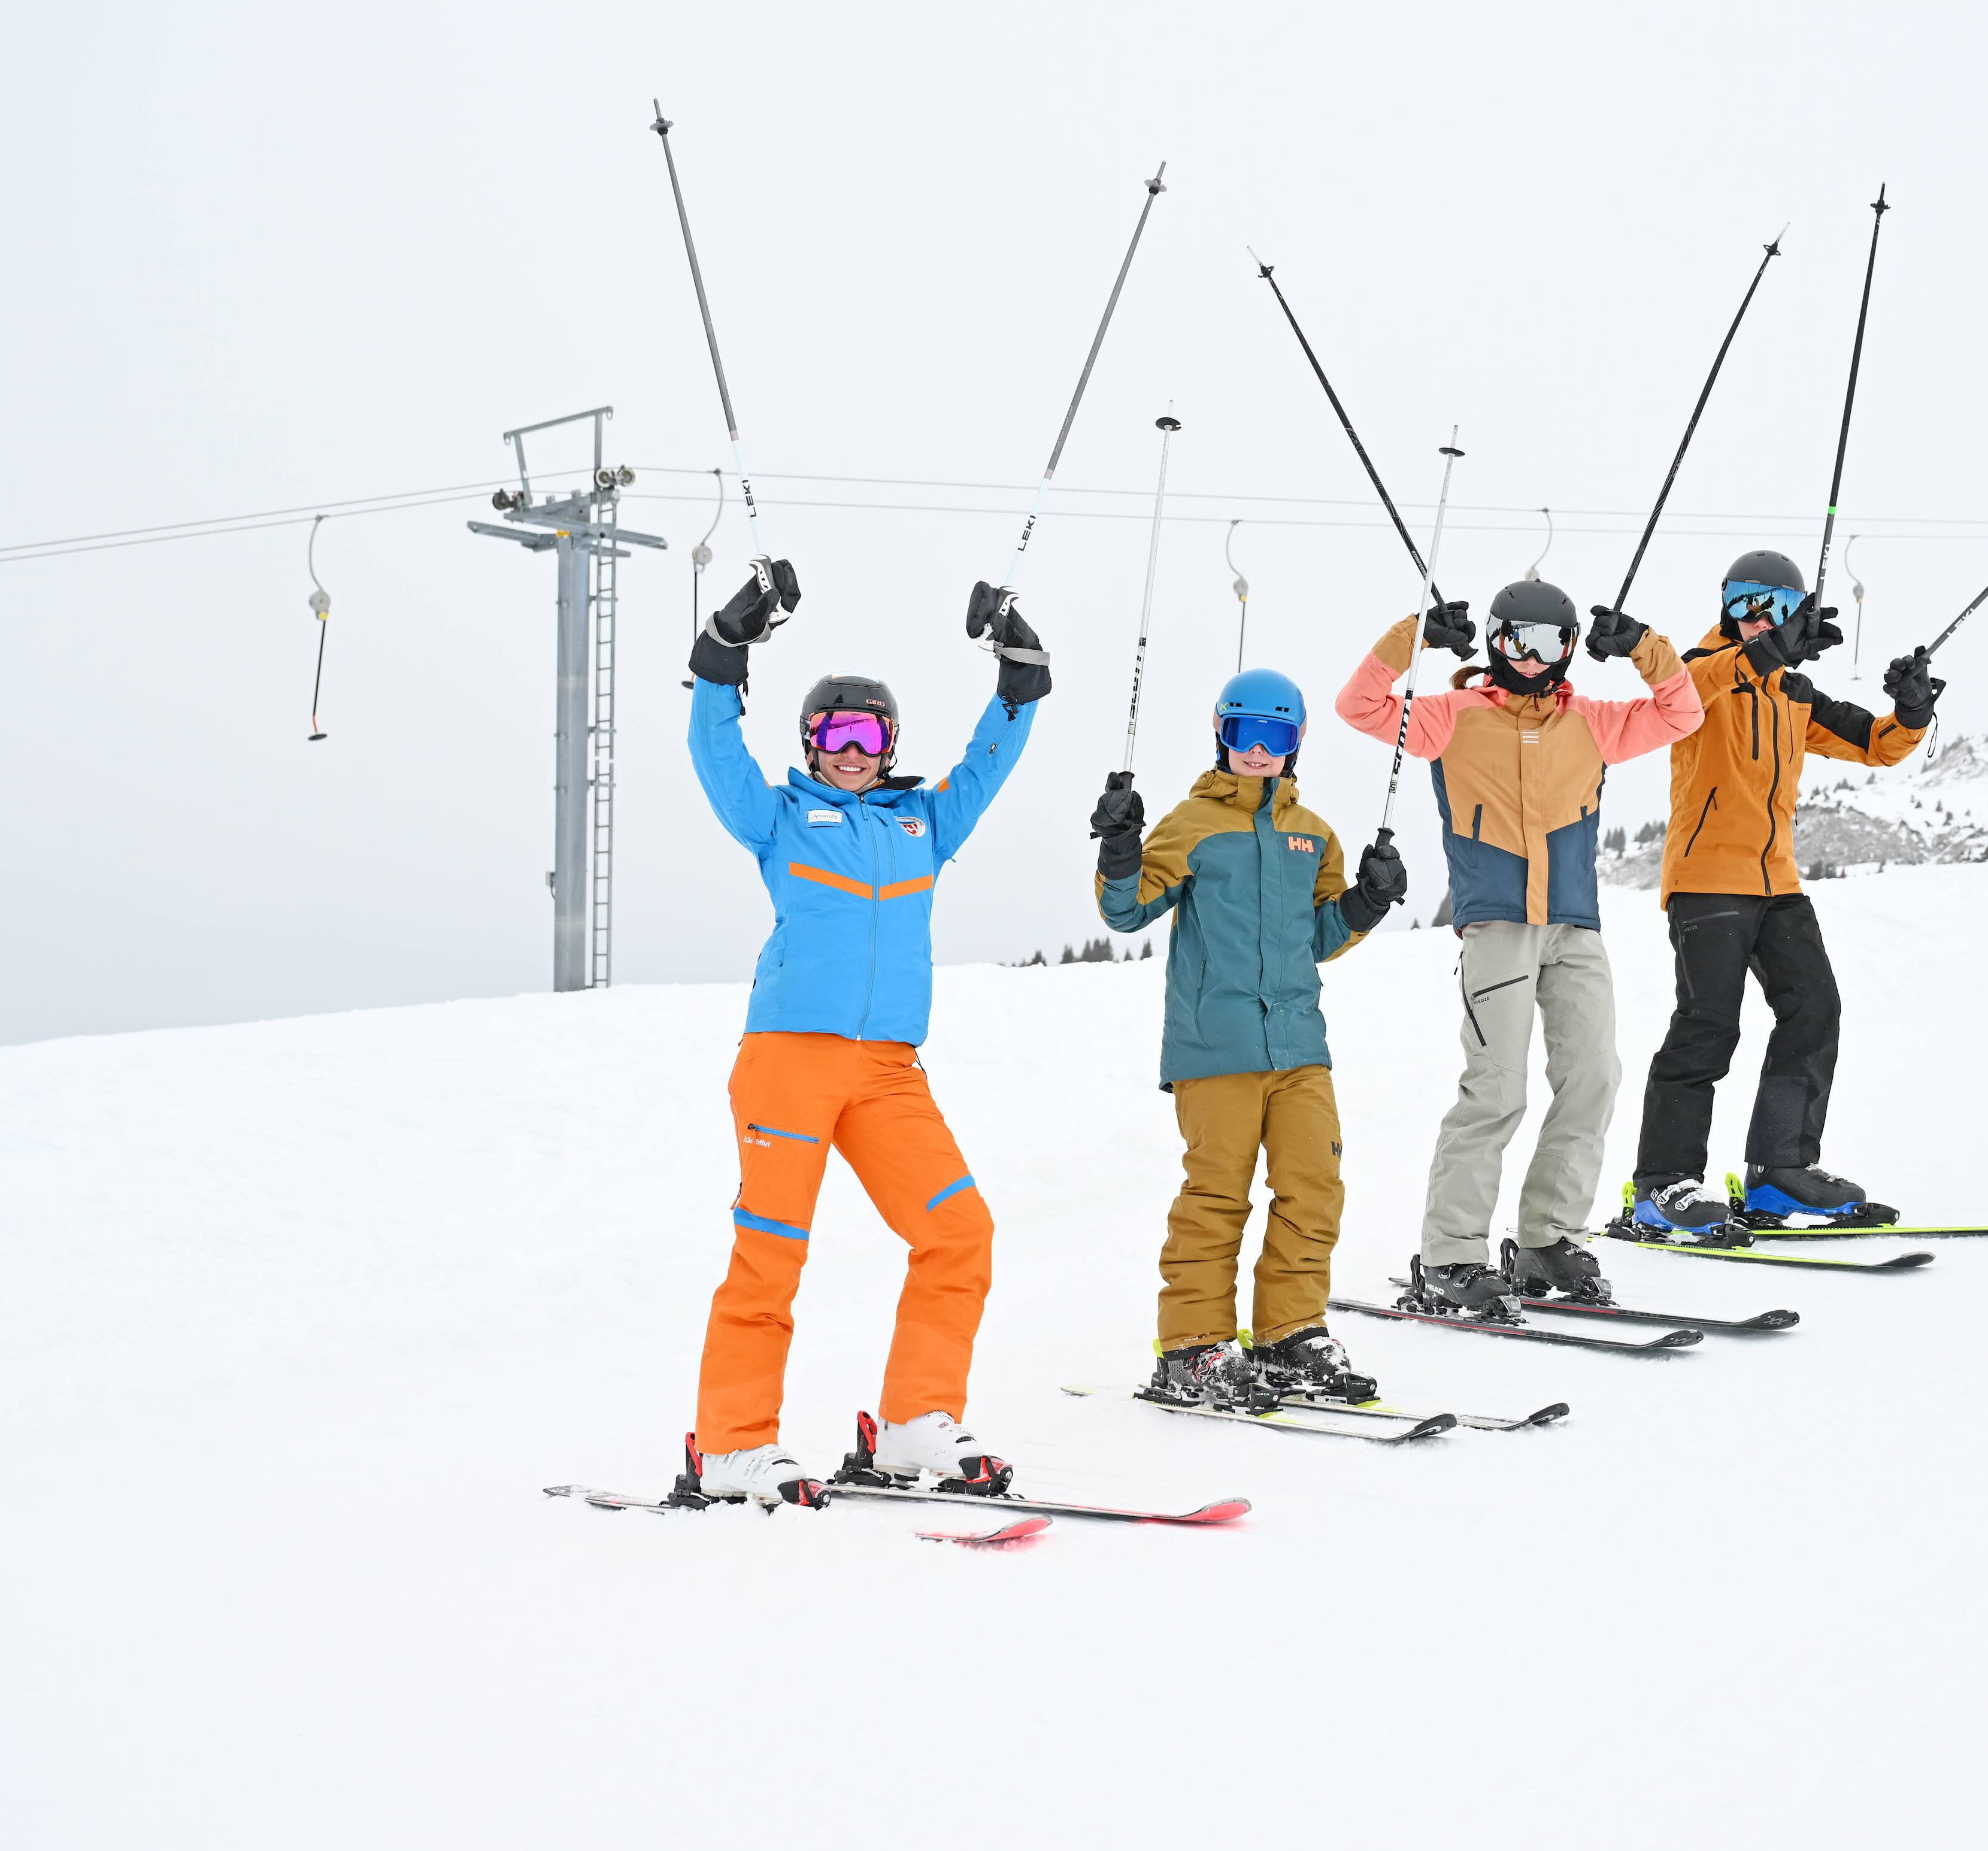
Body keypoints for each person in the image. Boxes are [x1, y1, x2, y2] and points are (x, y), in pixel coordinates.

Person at [678, 556, 1050, 1506]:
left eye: (869, 733)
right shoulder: (780, 819)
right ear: (809, 743)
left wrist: (1018, 679)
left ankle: (914, 1421)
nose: (852, 749)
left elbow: (988, 762)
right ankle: (731, 1445)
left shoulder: (924, 823)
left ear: (890, 745)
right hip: (789, 1060)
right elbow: (715, 749)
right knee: (771, 1250)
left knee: (957, 1229)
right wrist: (724, 652)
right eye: (835, 733)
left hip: (888, 1070)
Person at [1334, 578, 1705, 1313]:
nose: (1529, 658)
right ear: (1494, 641)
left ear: (1568, 648)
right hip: (1498, 926)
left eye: (1546, 643)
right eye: (1514, 641)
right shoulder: (1452, 717)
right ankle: (1451, 1253)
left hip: (1574, 925)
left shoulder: (1593, 722)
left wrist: (1642, 646)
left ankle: (1548, 1235)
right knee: (1496, 1089)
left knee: (1593, 1077)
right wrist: (1415, 636)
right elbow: (1360, 705)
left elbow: (1680, 711)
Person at [1091, 669, 1407, 1407]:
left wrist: (1366, 901)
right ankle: (1193, 1347)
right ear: (1220, 733)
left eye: (1273, 735)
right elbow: (1126, 911)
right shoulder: (1191, 823)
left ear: (1295, 742)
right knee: (1216, 1195)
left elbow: (1319, 937)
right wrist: (1120, 847)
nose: (1257, 749)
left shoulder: (1313, 834)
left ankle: (1288, 1334)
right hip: (1216, 1045)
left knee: (1313, 1185)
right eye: (1243, 732)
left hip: (1298, 1046)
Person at [1617, 547, 1943, 1242]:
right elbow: (1683, 687)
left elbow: (1875, 744)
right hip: (1706, 879)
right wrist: (1762, 654)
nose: (1757, 617)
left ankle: (1780, 1169)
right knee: (1707, 1026)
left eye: (1775, 606)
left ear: (1797, 613)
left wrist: (1911, 709)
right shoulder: (1700, 672)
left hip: (1776, 882)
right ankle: (1662, 1184)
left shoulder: (1795, 694)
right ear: (1725, 604)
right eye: (1744, 601)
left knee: (1813, 1009)